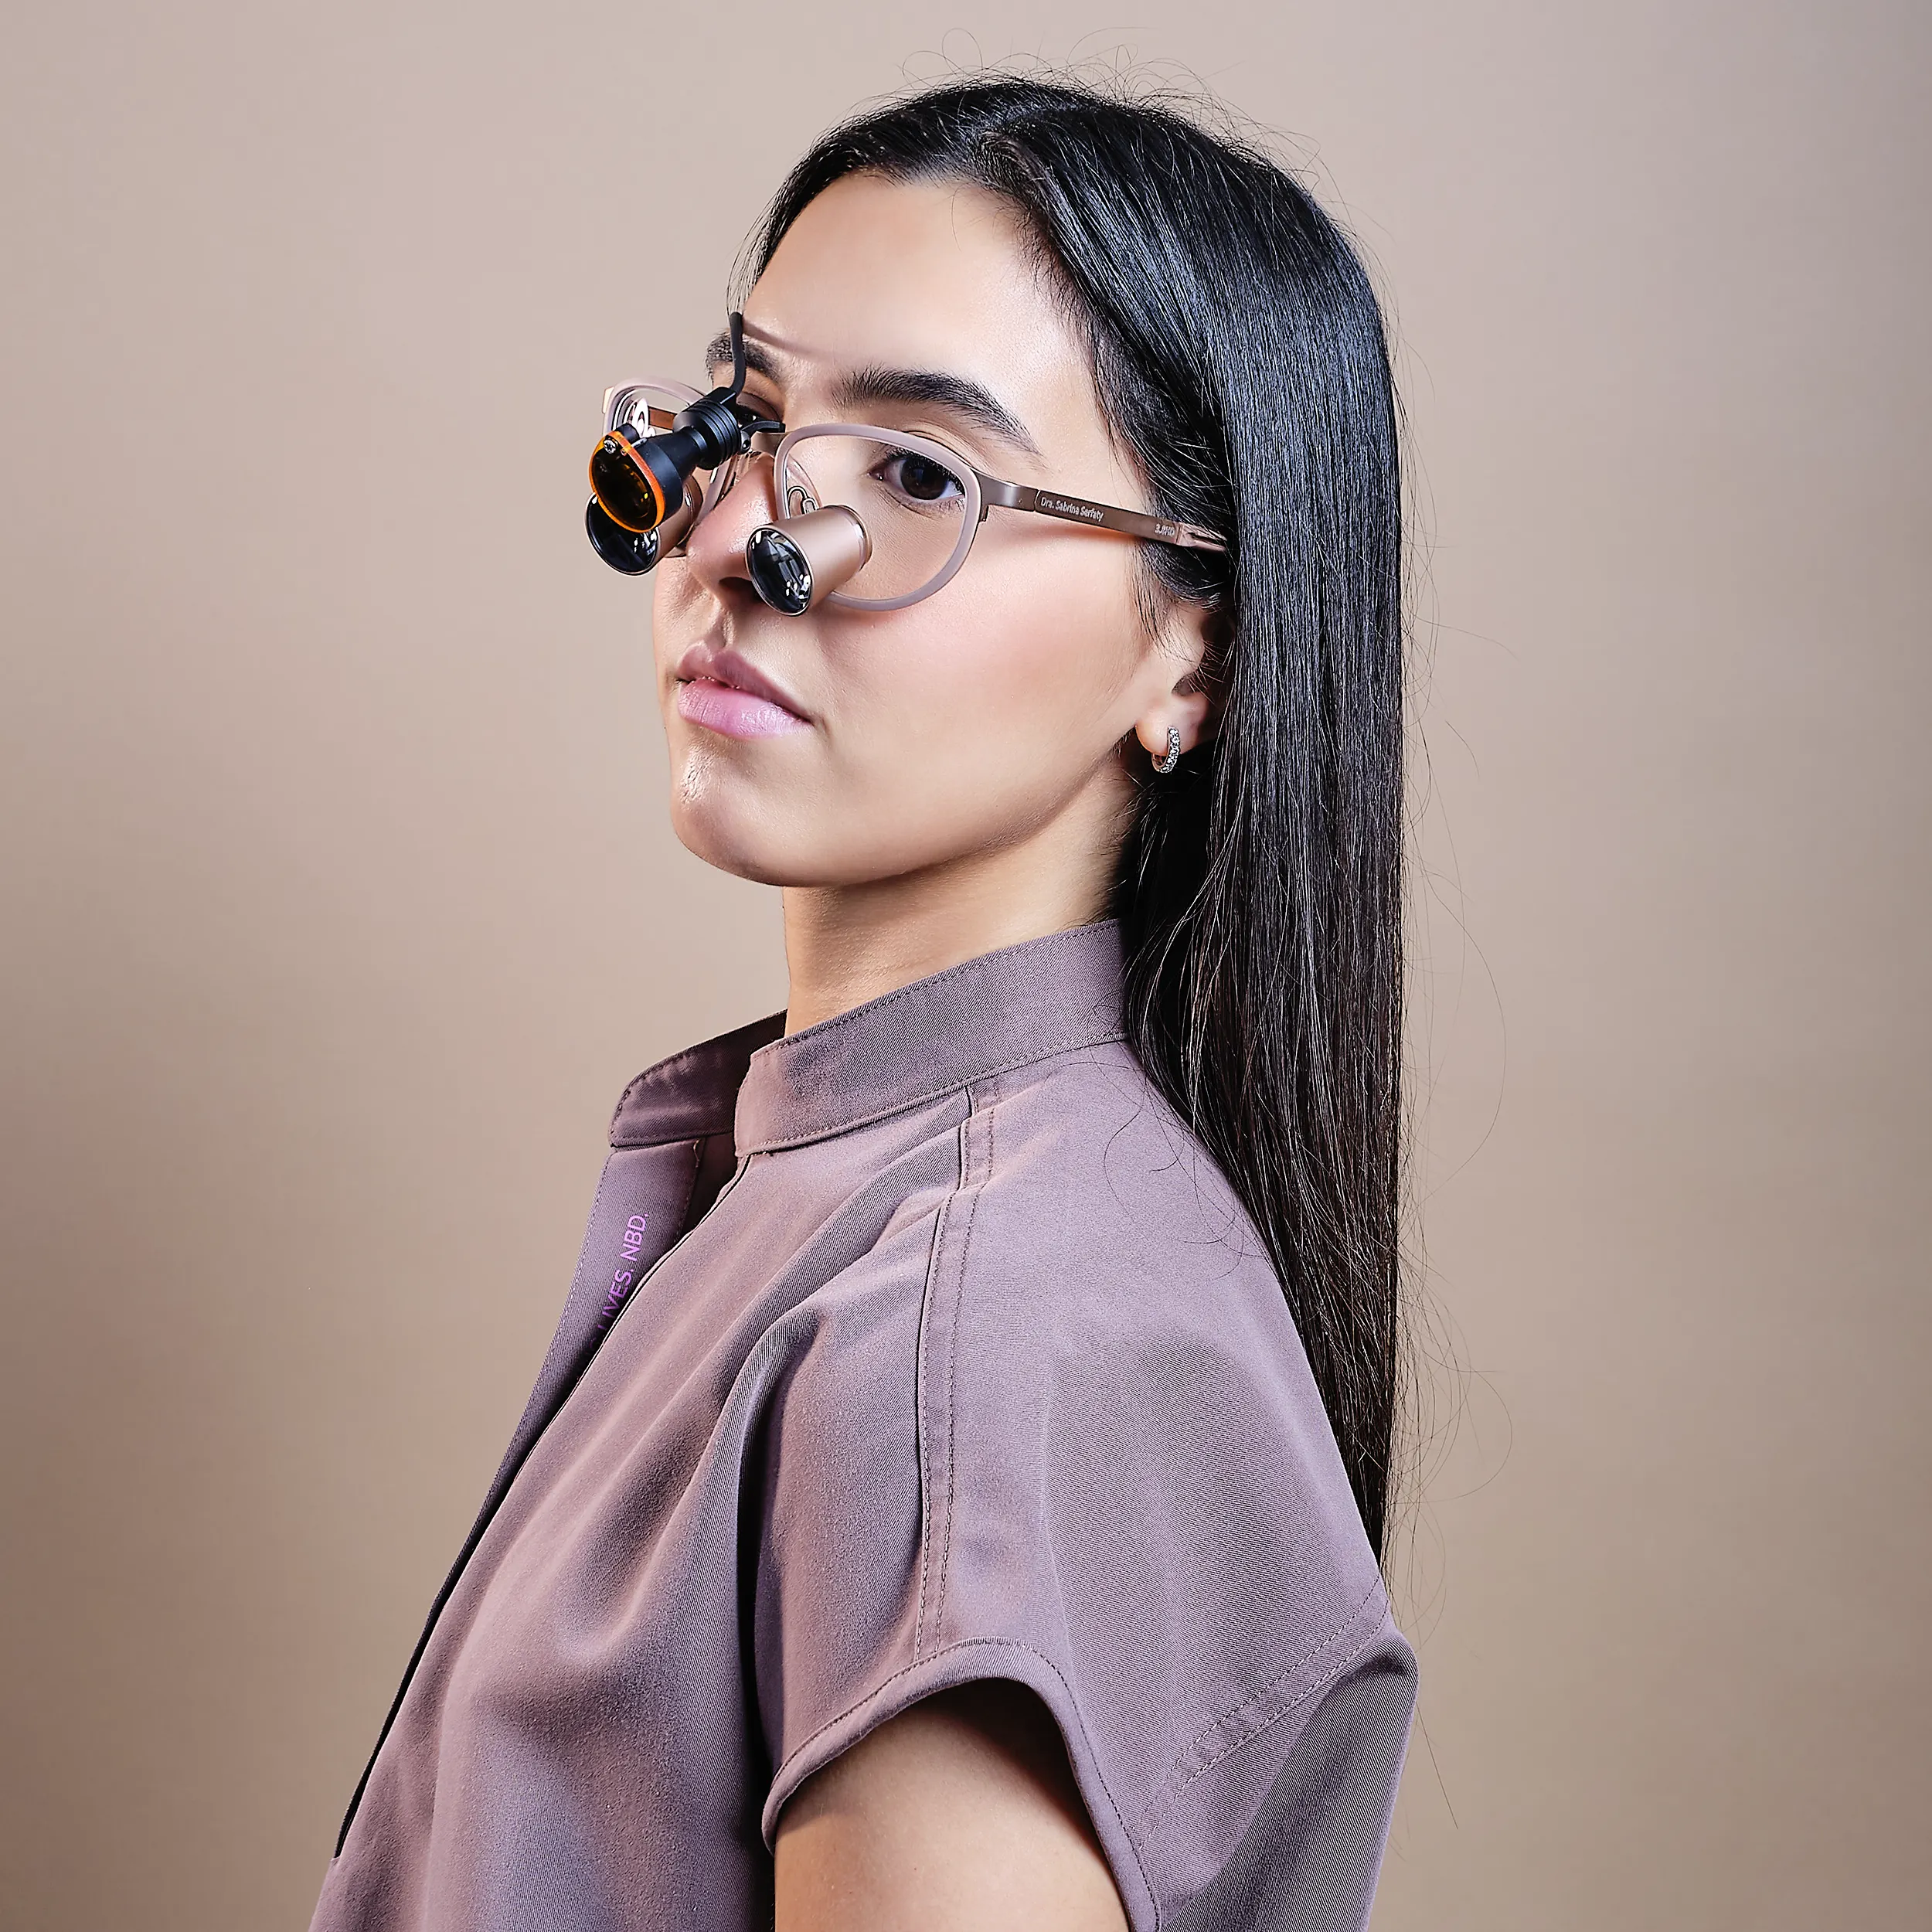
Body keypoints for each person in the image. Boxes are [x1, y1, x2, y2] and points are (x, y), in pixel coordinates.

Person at [311, 75, 1415, 1932]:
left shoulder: (970, 1321)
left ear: (1191, 649)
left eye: (917, 473)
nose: (742, 535)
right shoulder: (832, 1196)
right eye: (744, 414)